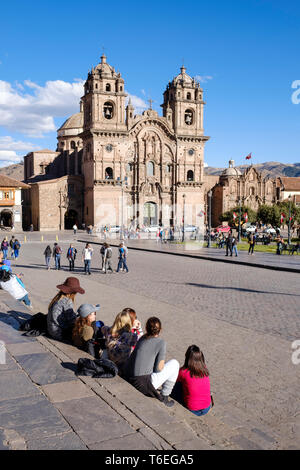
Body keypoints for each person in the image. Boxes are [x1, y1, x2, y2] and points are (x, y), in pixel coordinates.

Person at [125, 317, 179, 407]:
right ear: (160, 330)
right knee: (175, 364)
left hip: (130, 377)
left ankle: (164, 395)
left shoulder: (142, 338)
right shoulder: (161, 343)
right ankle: (165, 396)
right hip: (143, 384)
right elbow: (158, 369)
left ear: (146, 328)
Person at [171, 345, 212, 416]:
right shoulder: (204, 369)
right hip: (206, 407)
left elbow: (174, 381)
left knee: (177, 385)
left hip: (193, 409)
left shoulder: (183, 372)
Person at [47, 277, 85, 341]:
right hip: (58, 333)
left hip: (51, 329)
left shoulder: (58, 298)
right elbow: (72, 320)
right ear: (74, 292)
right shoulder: (67, 301)